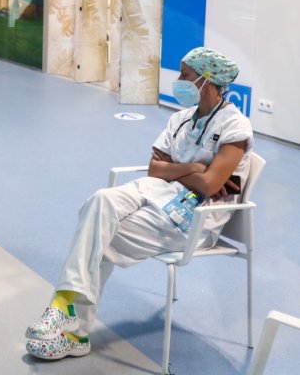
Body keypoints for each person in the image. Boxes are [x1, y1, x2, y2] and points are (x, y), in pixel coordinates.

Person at [25, 47, 253, 360]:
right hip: (157, 191)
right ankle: (64, 310)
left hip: (192, 219)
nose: (179, 81)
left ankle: (74, 330)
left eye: (186, 76)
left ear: (206, 80)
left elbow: (211, 185)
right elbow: (155, 169)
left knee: (96, 236)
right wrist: (192, 168)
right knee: (101, 201)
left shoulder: (234, 126)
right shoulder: (181, 119)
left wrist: (184, 172)